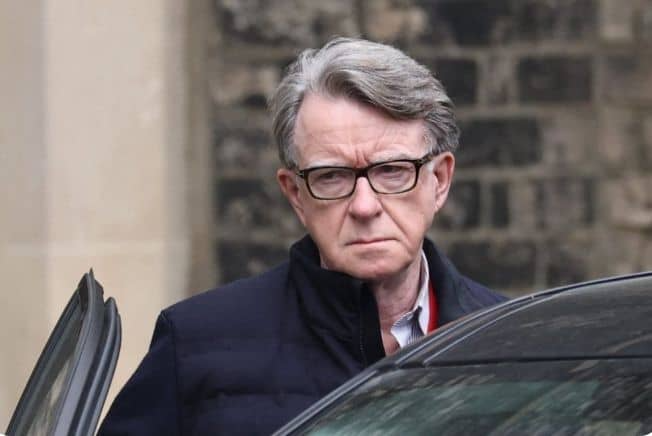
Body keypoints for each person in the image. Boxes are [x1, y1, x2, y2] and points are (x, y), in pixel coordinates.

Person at [98, 37, 506, 436]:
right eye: (331, 177)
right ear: (296, 195)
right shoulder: (194, 345)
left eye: (392, 171)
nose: (365, 206)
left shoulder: (513, 337)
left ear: (440, 181)